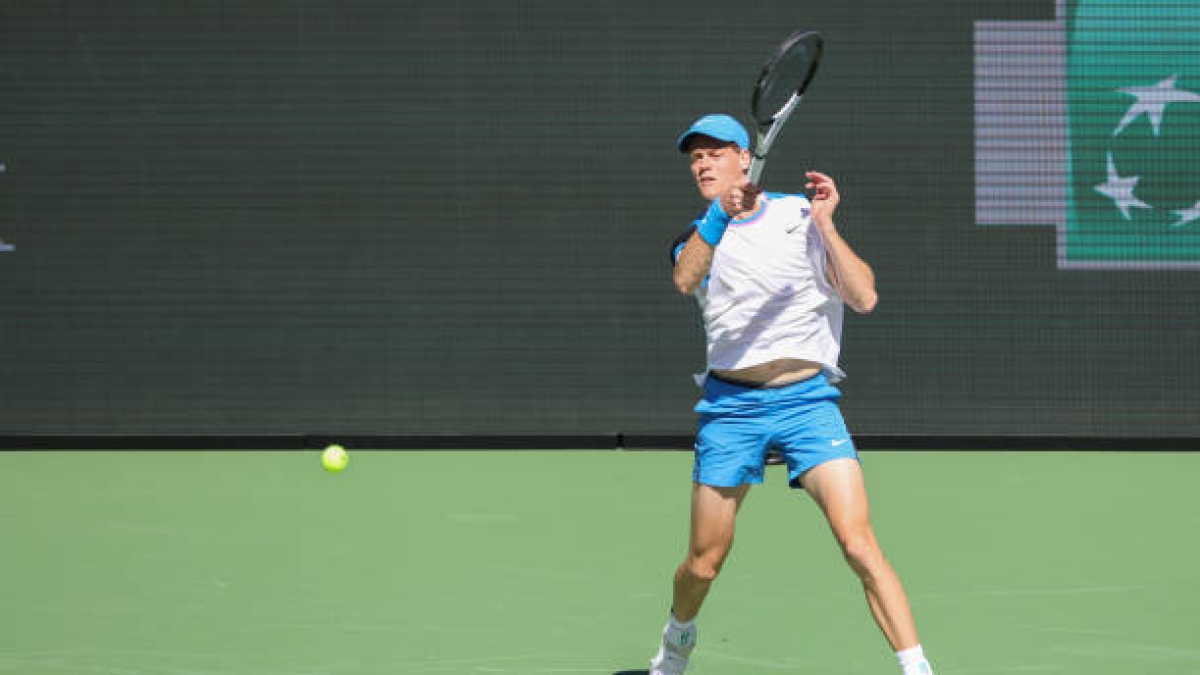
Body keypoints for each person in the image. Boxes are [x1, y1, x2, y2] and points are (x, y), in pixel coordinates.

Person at [650, 113, 934, 675]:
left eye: (713, 153)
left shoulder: (799, 215)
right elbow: (686, 281)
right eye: (694, 159)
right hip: (732, 409)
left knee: (858, 544)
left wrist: (827, 225)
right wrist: (718, 216)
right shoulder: (698, 233)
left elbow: (864, 297)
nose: (702, 164)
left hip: (808, 404)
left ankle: (918, 667)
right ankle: (678, 637)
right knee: (704, 564)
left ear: (743, 158)